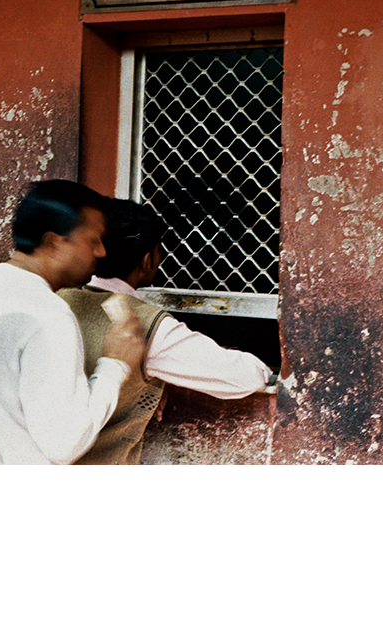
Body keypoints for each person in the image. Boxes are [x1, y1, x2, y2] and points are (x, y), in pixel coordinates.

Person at [0, 179, 145, 464]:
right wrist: (115, 365)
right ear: (55, 241)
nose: (101, 252)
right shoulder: (49, 313)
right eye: (93, 240)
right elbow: (65, 443)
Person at [59, 197, 272, 464]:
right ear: (147, 260)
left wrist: (159, 378)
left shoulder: (56, 298)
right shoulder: (145, 325)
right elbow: (248, 377)